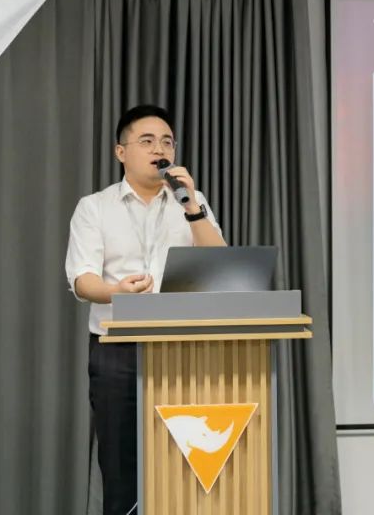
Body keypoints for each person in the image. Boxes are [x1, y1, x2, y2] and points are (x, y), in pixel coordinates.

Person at [64, 104, 227, 514]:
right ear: (121, 152)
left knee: (187, 469)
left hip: (183, 349)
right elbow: (82, 279)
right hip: (117, 350)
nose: (160, 149)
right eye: (148, 141)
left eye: (167, 142)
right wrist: (116, 292)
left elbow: (219, 263)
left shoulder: (192, 203)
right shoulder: (94, 207)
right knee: (122, 471)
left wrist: (192, 207)